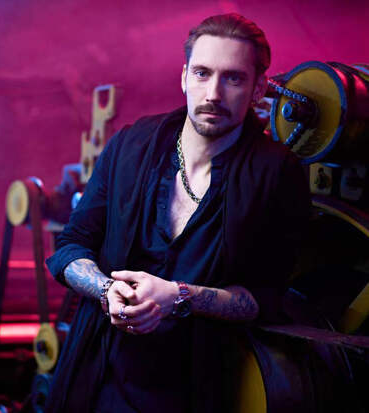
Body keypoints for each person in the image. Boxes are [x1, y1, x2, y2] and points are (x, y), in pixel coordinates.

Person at [44, 13, 310, 413]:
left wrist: (180, 296)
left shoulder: (278, 173)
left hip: (198, 388)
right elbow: (70, 246)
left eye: (233, 78)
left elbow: (268, 298)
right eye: (202, 73)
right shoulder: (130, 146)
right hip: (100, 378)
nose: (213, 93)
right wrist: (105, 290)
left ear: (258, 89)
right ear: (184, 77)